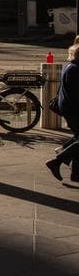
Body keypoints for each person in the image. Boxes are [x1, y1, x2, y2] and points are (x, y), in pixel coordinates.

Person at [46, 42, 79, 183]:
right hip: (74, 109)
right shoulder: (75, 69)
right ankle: (57, 160)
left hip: (69, 107)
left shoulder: (71, 67)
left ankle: (76, 174)